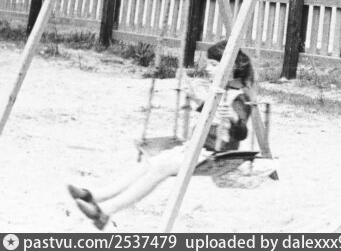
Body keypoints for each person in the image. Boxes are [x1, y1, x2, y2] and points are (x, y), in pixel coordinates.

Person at [68, 41, 254, 230]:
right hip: (197, 148)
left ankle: (104, 211)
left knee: (160, 167)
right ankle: (94, 196)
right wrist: (195, 98)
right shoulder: (222, 92)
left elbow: (242, 133)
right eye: (208, 64)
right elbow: (210, 113)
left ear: (231, 68)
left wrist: (232, 118)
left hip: (214, 156)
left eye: (214, 65)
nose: (207, 68)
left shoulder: (240, 98)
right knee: (149, 162)